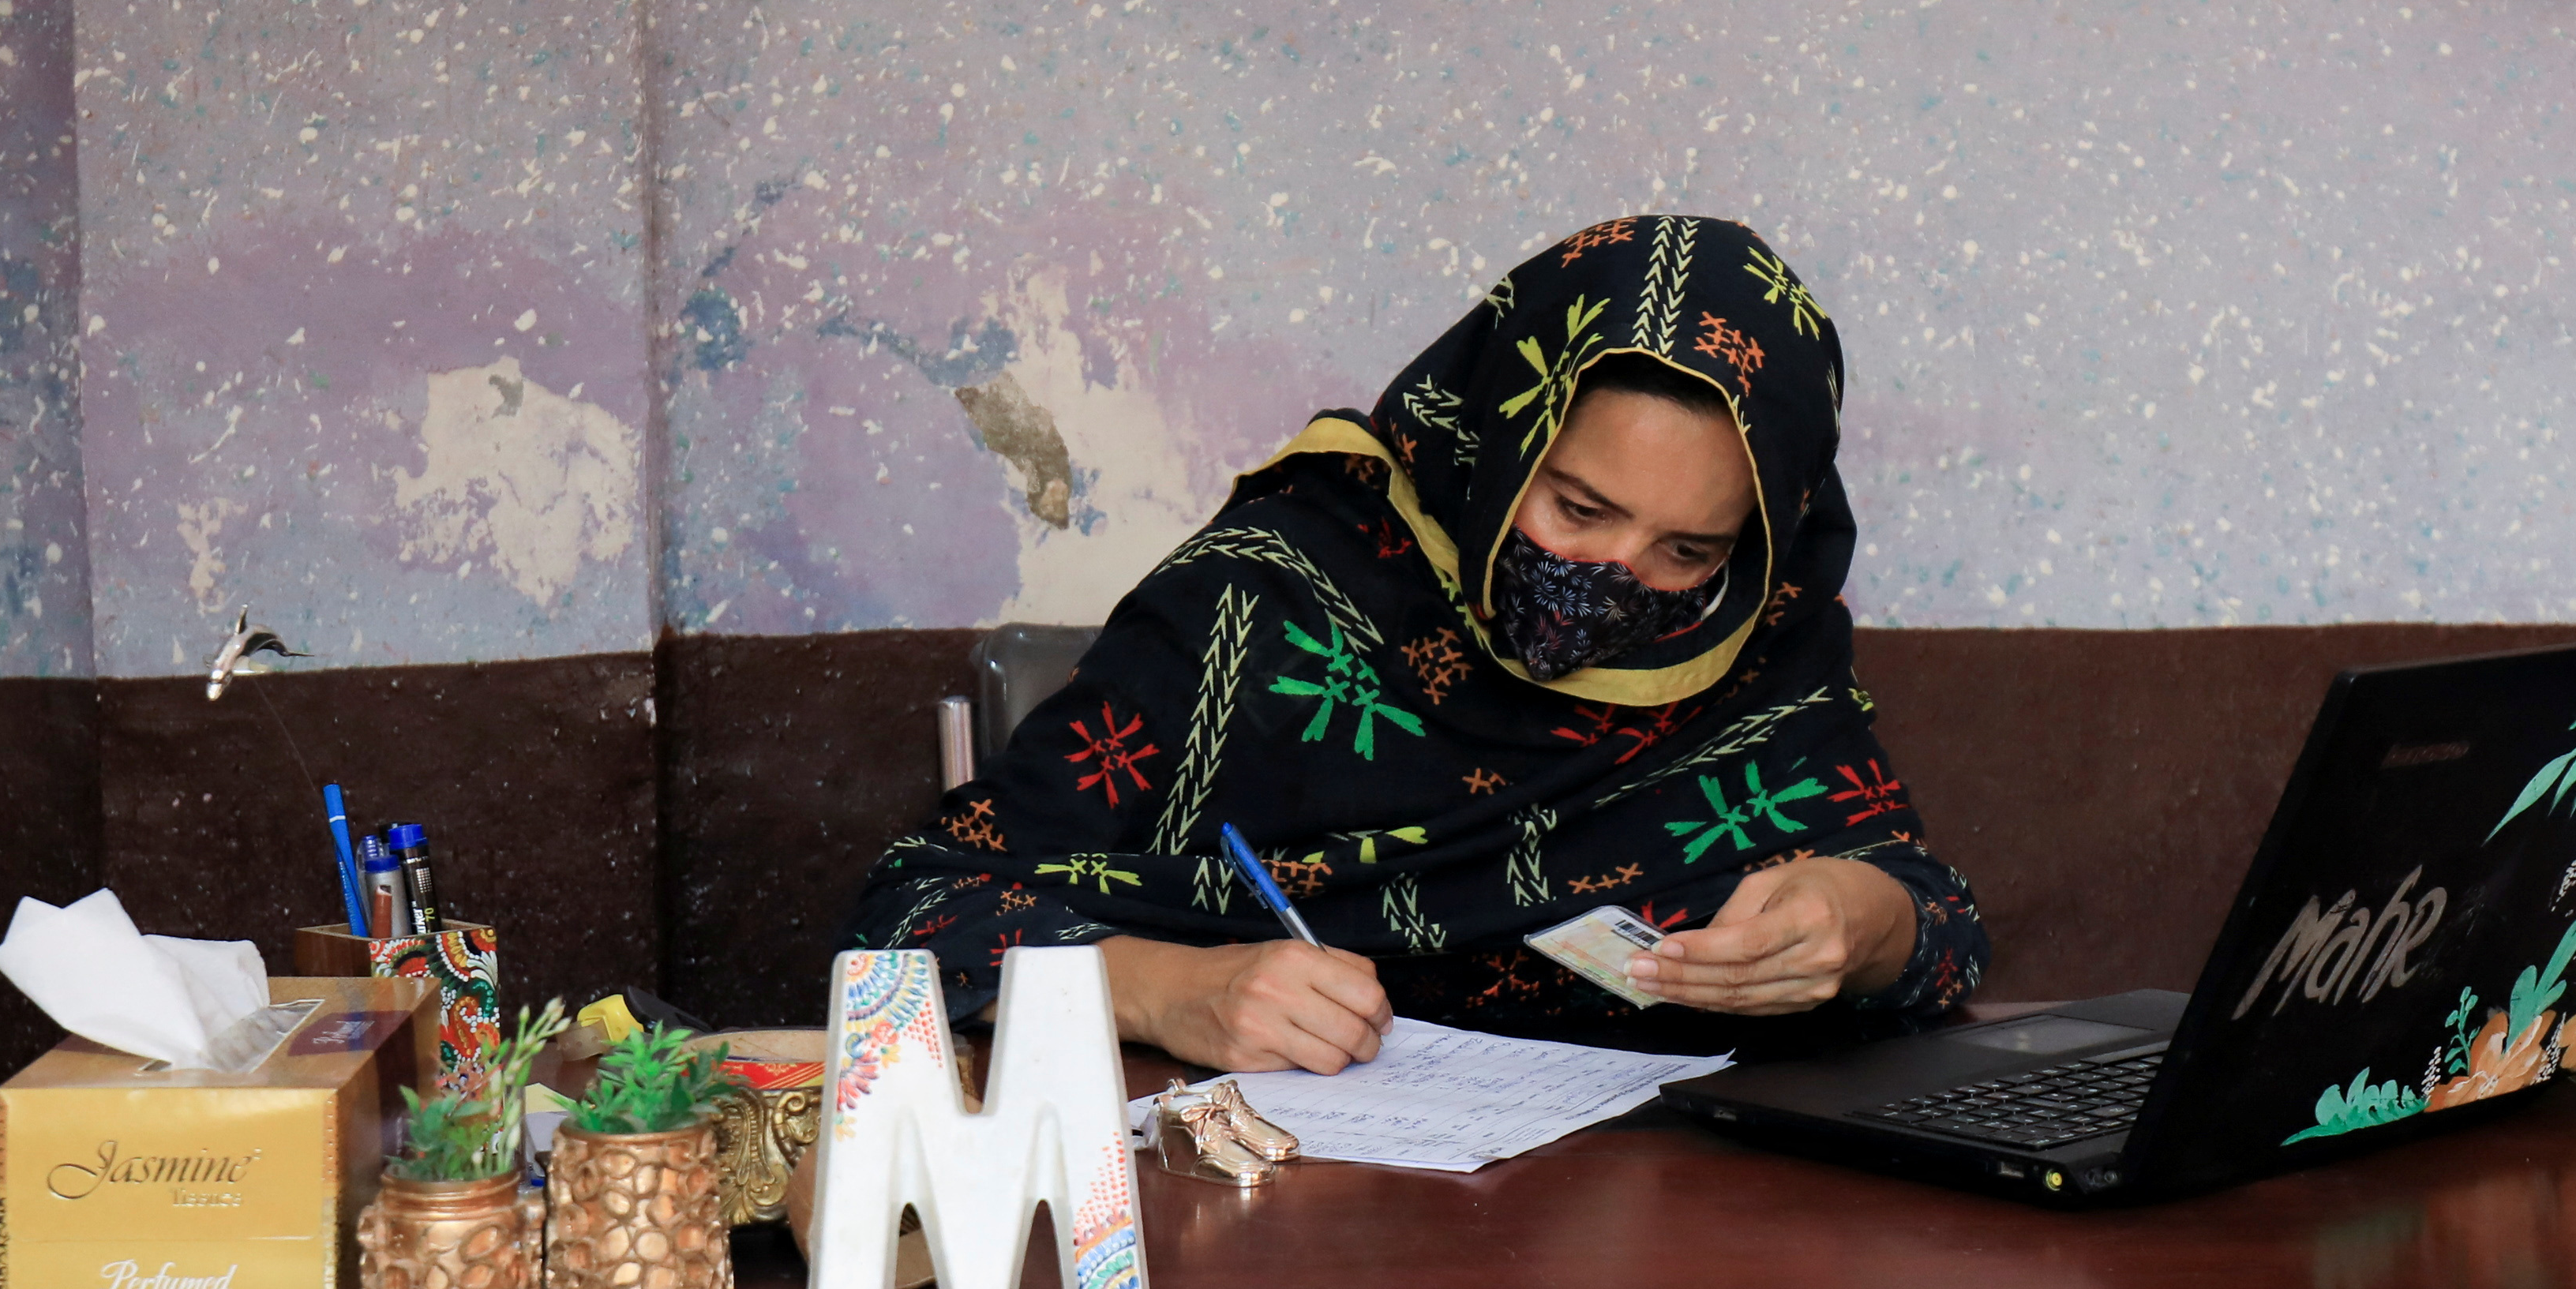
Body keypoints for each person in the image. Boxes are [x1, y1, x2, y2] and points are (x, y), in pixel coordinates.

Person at [847, 215, 1988, 1072]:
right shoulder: (1264, 607)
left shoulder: (1754, 643)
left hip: (1653, 1246)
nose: (1615, 580)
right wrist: (1168, 990)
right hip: (1276, 1248)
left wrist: (1861, 922)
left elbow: (1936, 923)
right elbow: (911, 920)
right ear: (1496, 441)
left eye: (1686, 552)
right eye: (1578, 513)